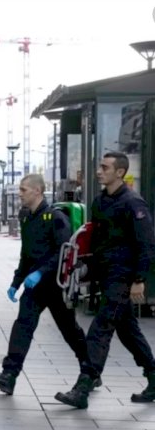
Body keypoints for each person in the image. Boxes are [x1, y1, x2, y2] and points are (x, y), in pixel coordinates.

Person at [55, 152, 155, 409]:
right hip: (106, 276)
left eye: (105, 167)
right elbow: (96, 240)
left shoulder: (134, 203)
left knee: (100, 328)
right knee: (128, 331)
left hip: (123, 277)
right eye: (100, 166)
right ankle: (154, 376)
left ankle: (84, 386)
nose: (99, 171)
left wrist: (139, 279)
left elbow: (146, 244)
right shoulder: (100, 202)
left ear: (119, 172)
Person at [0, 174, 92, 397]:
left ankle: (91, 370)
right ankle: (8, 376)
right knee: (22, 326)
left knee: (70, 331)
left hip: (56, 285)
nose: (20, 193)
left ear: (38, 191)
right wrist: (16, 282)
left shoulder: (55, 217)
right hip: (35, 287)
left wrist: (40, 272)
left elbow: (63, 251)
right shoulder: (27, 217)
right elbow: (26, 254)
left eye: (23, 189)